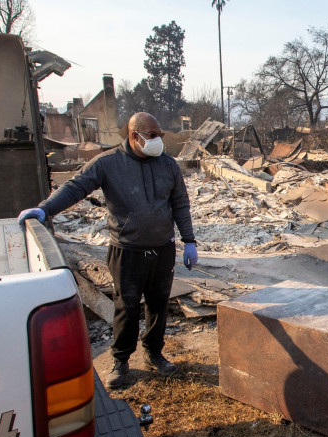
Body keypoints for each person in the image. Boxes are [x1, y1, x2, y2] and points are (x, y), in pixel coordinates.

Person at [18, 112, 198, 389]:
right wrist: (45, 209)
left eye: (159, 135)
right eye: (151, 136)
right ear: (133, 136)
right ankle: (121, 361)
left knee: (158, 305)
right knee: (126, 307)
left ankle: (154, 352)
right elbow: (75, 187)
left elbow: (180, 204)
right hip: (127, 251)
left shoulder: (167, 165)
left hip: (162, 249)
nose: (157, 141)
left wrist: (189, 240)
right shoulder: (108, 163)